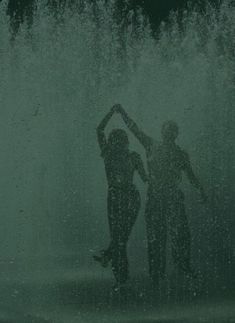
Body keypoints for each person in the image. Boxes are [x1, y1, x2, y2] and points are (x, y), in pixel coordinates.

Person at [115, 104, 207, 285]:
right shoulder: (152, 145)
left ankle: (182, 267)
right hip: (156, 197)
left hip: (172, 197)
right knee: (156, 235)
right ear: (163, 131)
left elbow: (191, 176)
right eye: (167, 129)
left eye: (173, 130)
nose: (170, 132)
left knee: (180, 233)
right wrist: (123, 113)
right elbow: (134, 129)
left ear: (176, 134)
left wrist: (201, 190)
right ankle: (157, 274)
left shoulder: (180, 154)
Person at [94, 105, 148, 290]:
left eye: (119, 141)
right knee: (119, 239)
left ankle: (116, 270)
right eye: (114, 141)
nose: (116, 144)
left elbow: (146, 178)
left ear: (124, 142)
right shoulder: (110, 155)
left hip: (130, 198)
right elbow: (99, 130)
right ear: (111, 142)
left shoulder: (131, 156)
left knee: (120, 238)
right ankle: (120, 276)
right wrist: (111, 112)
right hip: (116, 197)